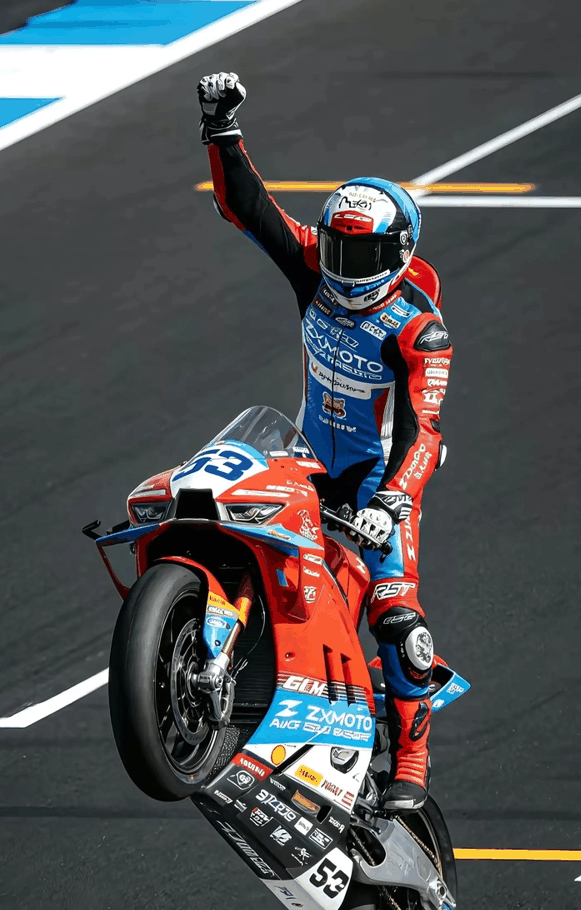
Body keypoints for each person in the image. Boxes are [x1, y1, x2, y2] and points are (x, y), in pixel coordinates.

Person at [197, 72, 453, 812]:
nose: (344, 268)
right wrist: (221, 129)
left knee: (397, 620)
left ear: (398, 254)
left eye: (362, 257)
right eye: (337, 248)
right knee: (255, 557)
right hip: (305, 461)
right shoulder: (314, 268)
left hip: (378, 485)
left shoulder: (419, 331)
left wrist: (391, 503)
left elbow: (424, 432)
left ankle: (412, 756)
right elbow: (249, 209)